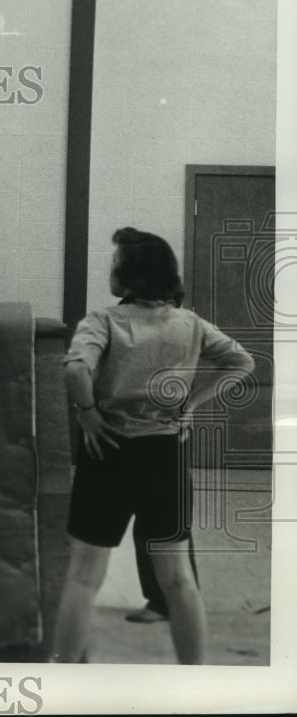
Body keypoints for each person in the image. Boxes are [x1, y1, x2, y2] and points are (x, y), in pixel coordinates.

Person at [50, 227, 255, 665]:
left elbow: (74, 371)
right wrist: (191, 404)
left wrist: (87, 413)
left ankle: (63, 679)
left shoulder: (102, 320)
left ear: (129, 276)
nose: (111, 270)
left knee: (84, 577)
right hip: (164, 457)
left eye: (115, 264)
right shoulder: (191, 324)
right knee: (179, 580)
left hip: (107, 453)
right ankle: (193, 681)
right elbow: (242, 361)